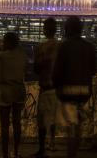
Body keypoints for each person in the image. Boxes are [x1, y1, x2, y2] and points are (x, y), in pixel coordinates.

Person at [52, 16, 96, 158]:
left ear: (67, 29)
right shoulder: (89, 47)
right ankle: (74, 152)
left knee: (71, 127)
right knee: (77, 127)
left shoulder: (64, 46)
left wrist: (57, 87)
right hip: (84, 91)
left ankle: (71, 155)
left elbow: (57, 71)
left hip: (68, 91)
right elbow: (93, 70)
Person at [0, 32, 27, 158]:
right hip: (19, 90)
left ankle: (5, 154)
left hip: (5, 91)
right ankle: (16, 152)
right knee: (17, 123)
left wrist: (1, 45)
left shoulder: (1, 56)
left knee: (5, 126)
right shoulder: (22, 56)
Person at [33, 18, 60, 158]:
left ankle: (42, 149)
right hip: (56, 88)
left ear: (44, 30)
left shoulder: (40, 48)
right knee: (53, 118)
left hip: (45, 87)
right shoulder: (60, 46)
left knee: (42, 120)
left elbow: (36, 68)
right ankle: (53, 143)